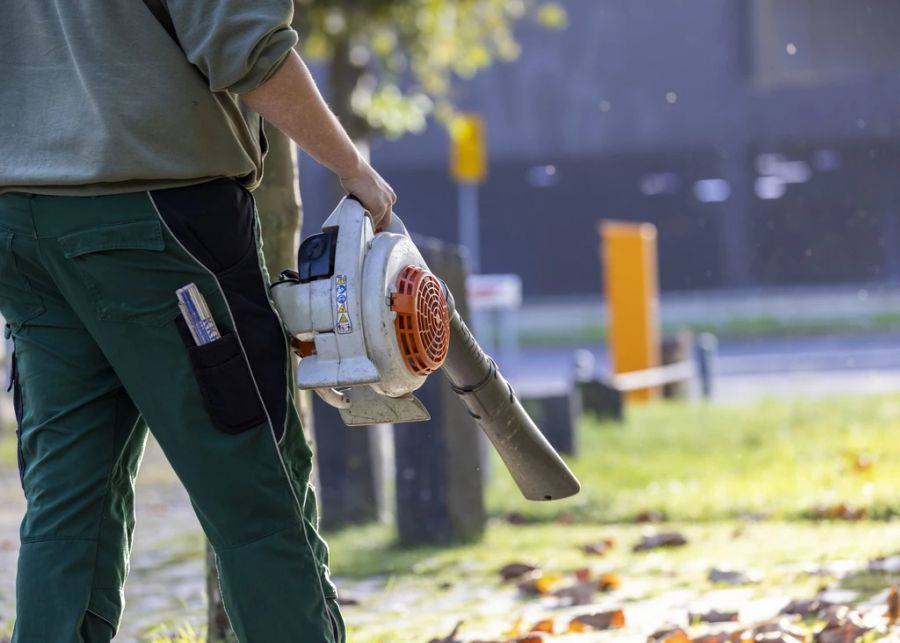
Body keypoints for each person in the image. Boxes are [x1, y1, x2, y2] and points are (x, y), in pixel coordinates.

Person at [0, 1, 395, 641]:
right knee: (255, 489)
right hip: (157, 218)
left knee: (69, 510)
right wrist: (353, 168)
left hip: (22, 224)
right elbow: (248, 45)